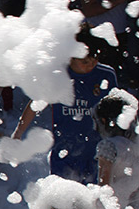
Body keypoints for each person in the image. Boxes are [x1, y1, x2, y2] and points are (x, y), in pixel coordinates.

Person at [12, 28, 118, 184]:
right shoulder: (58, 76)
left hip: (95, 150)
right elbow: (36, 103)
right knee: (63, 199)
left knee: (94, 198)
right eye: (85, 61)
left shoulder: (105, 75)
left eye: (95, 60)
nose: (91, 65)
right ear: (70, 57)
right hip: (64, 149)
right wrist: (18, 133)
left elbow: (119, 110)